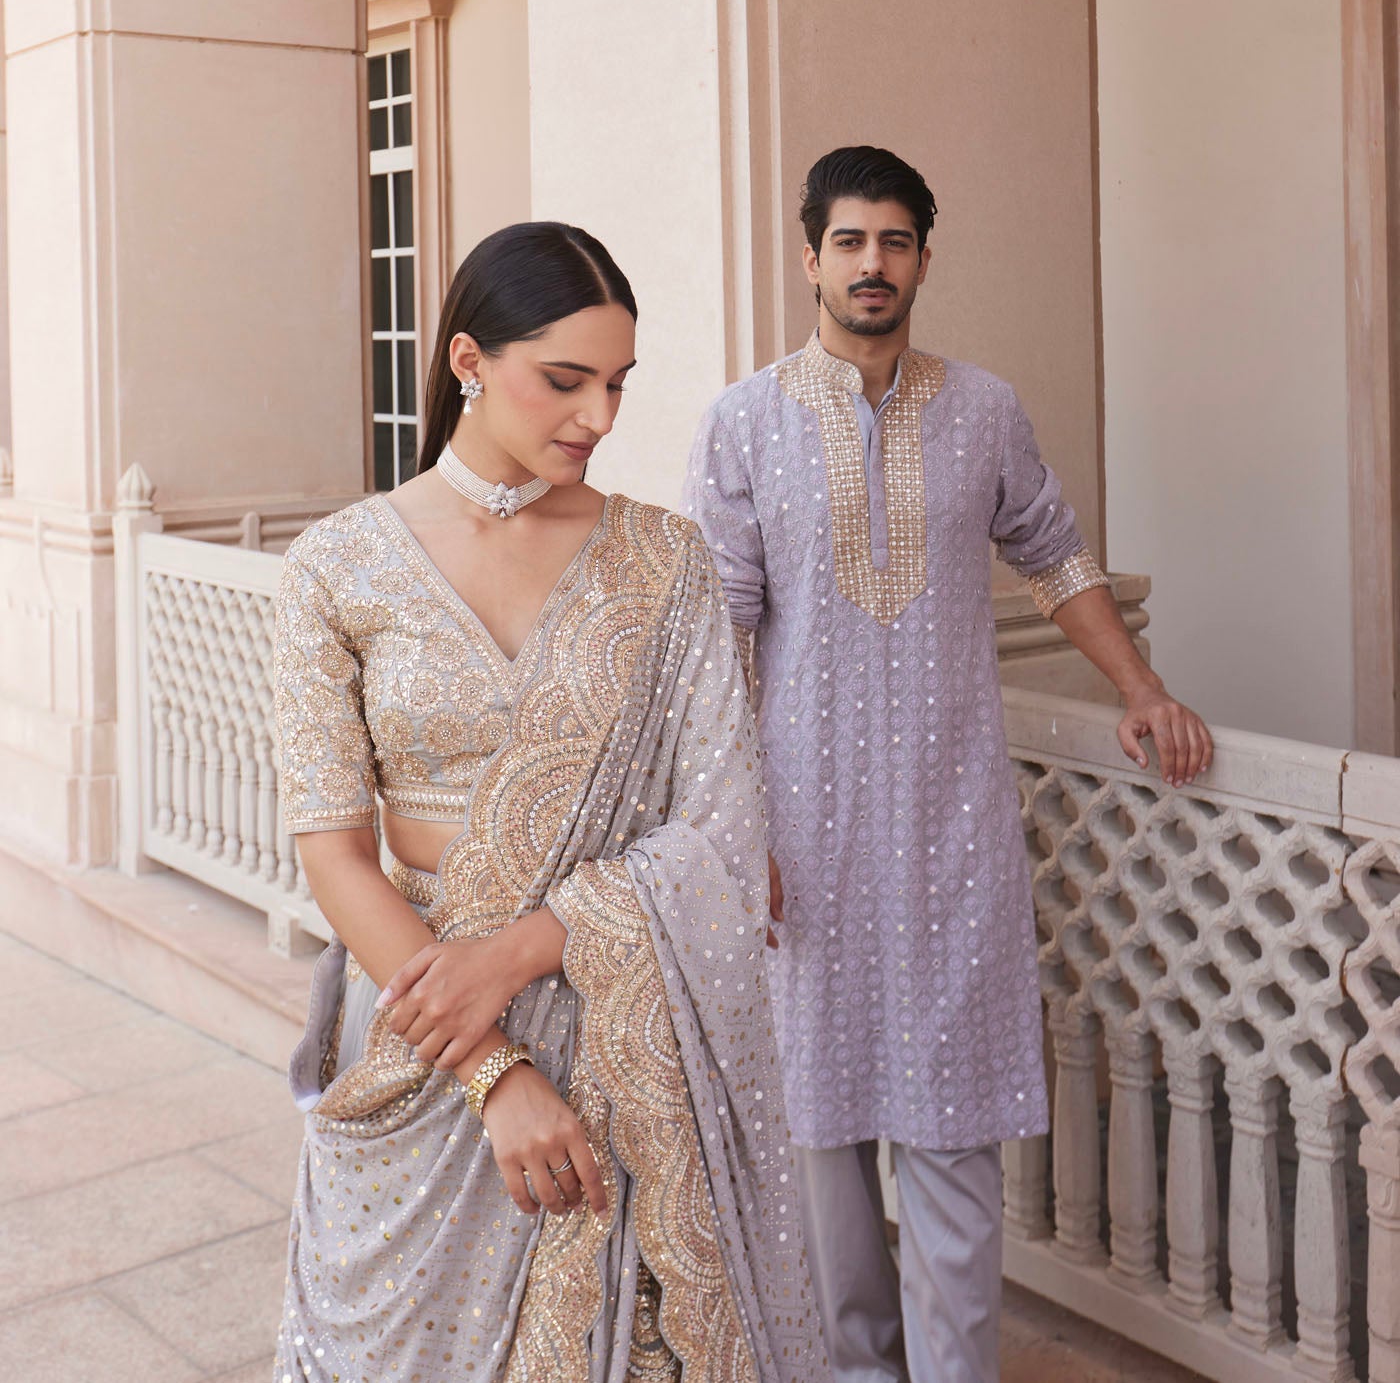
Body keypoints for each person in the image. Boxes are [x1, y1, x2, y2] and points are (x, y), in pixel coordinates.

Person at [682, 146, 1213, 1383]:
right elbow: (721, 633)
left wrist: (1140, 688)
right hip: (799, 837)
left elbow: (1055, 553)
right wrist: (734, 822)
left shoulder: (981, 408)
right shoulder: (746, 420)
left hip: (950, 826)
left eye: (896, 241)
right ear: (808, 255)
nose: (873, 263)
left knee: (952, 1121)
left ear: (924, 255)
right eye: (850, 241)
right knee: (818, 1140)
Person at [270, 221, 827, 1383]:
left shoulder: (663, 562)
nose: (599, 418)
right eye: (564, 380)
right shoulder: (337, 566)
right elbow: (334, 854)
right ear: (469, 360)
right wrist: (489, 1070)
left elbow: (721, 830)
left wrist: (520, 949)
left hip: (612, 1033)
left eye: (617, 384)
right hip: (420, 1037)